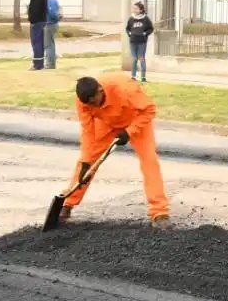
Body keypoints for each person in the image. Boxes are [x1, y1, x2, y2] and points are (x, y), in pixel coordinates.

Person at [62, 74, 170, 227]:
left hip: (135, 121)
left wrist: (130, 131)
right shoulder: (83, 101)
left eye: (94, 102)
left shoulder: (126, 89)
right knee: (87, 161)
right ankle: (67, 203)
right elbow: (87, 132)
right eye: (89, 105)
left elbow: (150, 110)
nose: (92, 107)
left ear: (100, 90)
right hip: (107, 124)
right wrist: (86, 161)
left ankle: (160, 212)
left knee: (149, 162)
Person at [126, 1, 154, 83]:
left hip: (142, 42)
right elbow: (127, 28)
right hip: (133, 41)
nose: (134, 9)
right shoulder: (131, 18)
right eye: (133, 8)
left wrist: (145, 33)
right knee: (134, 58)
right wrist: (129, 33)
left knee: (141, 58)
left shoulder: (146, 19)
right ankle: (133, 76)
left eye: (136, 8)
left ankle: (143, 78)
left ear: (141, 10)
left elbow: (151, 28)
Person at [26, 0, 47, 71]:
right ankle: (40, 63)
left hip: (36, 22)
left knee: (36, 43)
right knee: (41, 43)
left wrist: (32, 20)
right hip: (43, 21)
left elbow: (34, 9)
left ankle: (37, 65)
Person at [44, 0, 61, 69]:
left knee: (48, 45)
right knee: (51, 44)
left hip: (50, 24)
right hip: (53, 24)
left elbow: (52, 13)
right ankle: (51, 64)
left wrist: (55, 18)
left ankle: (50, 64)